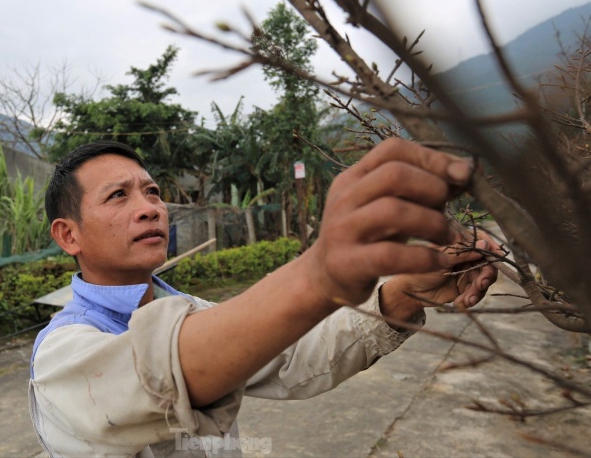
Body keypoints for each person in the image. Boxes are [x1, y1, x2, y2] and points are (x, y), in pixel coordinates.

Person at [29, 138, 499, 457]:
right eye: (118, 196)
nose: (150, 207)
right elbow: (168, 368)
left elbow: (296, 357)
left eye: (152, 192)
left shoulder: (193, 313)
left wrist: (402, 291)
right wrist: (321, 272)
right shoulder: (63, 353)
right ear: (68, 235)